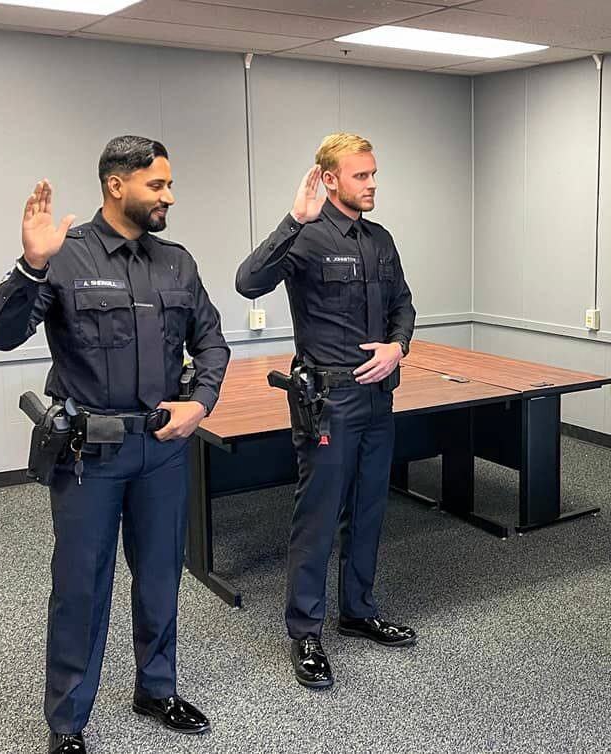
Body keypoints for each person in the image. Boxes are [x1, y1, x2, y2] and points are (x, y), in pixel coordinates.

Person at [0, 136, 230, 754]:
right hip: (89, 456)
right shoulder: (64, 256)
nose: (169, 195)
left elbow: (213, 344)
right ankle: (67, 724)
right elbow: (0, 334)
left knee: (159, 577)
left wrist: (199, 402)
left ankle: (156, 688)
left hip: (162, 450)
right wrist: (30, 267)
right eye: (158, 185)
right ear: (116, 185)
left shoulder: (178, 263)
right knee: (81, 586)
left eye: (169, 184)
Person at [236, 132, 416, 690]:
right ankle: (305, 631)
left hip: (376, 397)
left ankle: (359, 611)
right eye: (361, 175)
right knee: (317, 516)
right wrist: (292, 219)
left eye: (373, 174)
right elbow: (247, 282)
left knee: (368, 509)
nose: (372, 184)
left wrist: (397, 346)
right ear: (330, 178)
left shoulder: (381, 240)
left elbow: (404, 304)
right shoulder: (307, 238)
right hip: (328, 401)